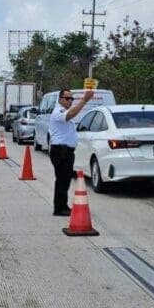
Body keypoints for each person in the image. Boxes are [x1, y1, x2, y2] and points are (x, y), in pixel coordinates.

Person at [48, 88, 95, 216]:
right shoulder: (58, 112)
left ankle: (62, 205)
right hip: (60, 150)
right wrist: (84, 100)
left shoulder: (65, 111)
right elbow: (70, 115)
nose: (70, 101)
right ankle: (59, 208)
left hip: (66, 151)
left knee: (65, 179)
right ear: (60, 99)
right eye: (67, 98)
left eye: (71, 99)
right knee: (62, 180)